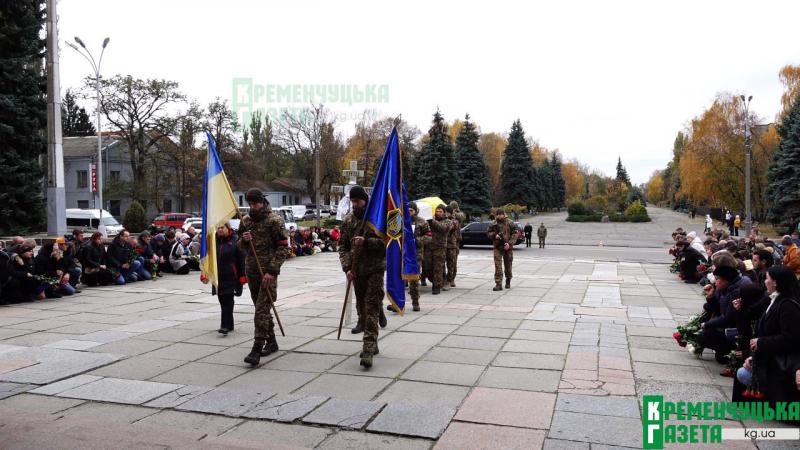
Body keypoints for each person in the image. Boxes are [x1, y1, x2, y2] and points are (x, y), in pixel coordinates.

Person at [736, 266, 800, 409]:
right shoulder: (774, 299)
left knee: (744, 374)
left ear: (775, 282)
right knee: (743, 370)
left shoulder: (788, 305)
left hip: (783, 363)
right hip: (772, 357)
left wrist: (761, 343)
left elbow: (791, 338)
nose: (765, 282)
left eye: (767, 278)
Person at [238, 188, 290, 366]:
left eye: (255, 203)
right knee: (261, 309)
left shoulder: (274, 221)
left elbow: (283, 247)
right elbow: (240, 246)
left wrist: (272, 271)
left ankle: (257, 348)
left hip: (268, 273)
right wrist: (244, 240)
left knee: (261, 309)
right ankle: (272, 340)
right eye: (250, 204)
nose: (253, 207)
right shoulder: (245, 221)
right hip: (252, 271)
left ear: (263, 202)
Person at [338, 185, 386, 368]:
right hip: (356, 271)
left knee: (371, 307)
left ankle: (368, 349)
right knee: (363, 310)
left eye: (358, 201)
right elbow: (343, 246)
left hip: (375, 269)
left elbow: (386, 243)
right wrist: (347, 268)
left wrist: (367, 242)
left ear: (365, 200)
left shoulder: (376, 218)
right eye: (353, 201)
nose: (355, 204)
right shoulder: (349, 220)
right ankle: (373, 343)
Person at [699, 265, 752, 363]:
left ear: (725, 280)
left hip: (735, 331)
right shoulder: (724, 289)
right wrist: (711, 297)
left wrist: (707, 324)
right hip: (728, 327)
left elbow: (728, 318)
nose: (715, 282)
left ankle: (728, 352)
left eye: (717, 279)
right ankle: (724, 352)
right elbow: (718, 309)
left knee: (706, 335)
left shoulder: (736, 292)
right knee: (705, 334)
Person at [202, 223, 246, 335]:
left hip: (231, 276)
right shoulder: (213, 241)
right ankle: (229, 324)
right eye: (218, 228)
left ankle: (224, 326)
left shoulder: (236, 240)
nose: (220, 229)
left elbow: (242, 259)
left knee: (228, 300)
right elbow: (208, 258)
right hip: (218, 277)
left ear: (228, 228)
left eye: (222, 227)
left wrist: (243, 275)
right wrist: (205, 273)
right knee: (222, 299)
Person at [405, 202, 430, 311]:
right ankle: (396, 302)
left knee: (413, 279)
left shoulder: (422, 222)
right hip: (402, 254)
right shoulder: (401, 220)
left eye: (411, 210)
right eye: (407, 210)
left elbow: (429, 236)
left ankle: (415, 301)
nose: (409, 212)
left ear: (416, 211)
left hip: (415, 254)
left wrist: (416, 240)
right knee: (398, 279)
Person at [488, 209, 518, 291]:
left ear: (504, 215)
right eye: (497, 215)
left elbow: (515, 233)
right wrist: (494, 235)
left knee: (508, 266)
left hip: (508, 248)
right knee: (498, 266)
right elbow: (488, 232)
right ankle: (498, 284)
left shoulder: (510, 222)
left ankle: (508, 280)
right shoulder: (494, 223)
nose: (498, 216)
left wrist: (510, 243)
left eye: (500, 215)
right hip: (497, 247)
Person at [428, 204, 451, 295]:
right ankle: (438, 280)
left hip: (440, 247)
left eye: (440, 212)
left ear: (444, 213)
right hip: (430, 246)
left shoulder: (448, 221)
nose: (438, 213)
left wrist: (433, 221)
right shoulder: (431, 221)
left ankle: (436, 286)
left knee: (438, 267)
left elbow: (443, 228)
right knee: (428, 267)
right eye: (437, 211)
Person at [448, 201, 466, 287]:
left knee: (453, 261)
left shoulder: (459, 214)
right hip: (446, 240)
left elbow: (462, 217)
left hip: (455, 241)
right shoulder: (447, 214)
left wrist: (454, 212)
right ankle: (446, 279)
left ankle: (452, 279)